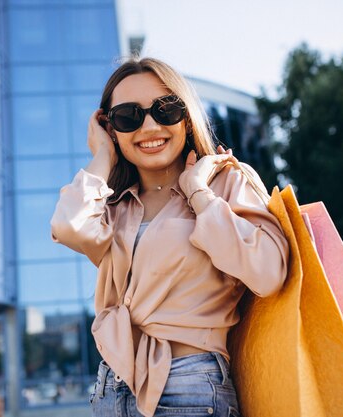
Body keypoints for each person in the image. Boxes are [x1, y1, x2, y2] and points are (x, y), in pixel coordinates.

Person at [50, 57, 289, 417]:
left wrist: (197, 193)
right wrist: (102, 155)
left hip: (189, 388)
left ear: (187, 117)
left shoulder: (224, 183)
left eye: (165, 109)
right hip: (111, 390)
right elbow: (67, 226)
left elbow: (269, 271)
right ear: (111, 128)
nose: (149, 126)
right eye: (128, 116)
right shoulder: (115, 207)